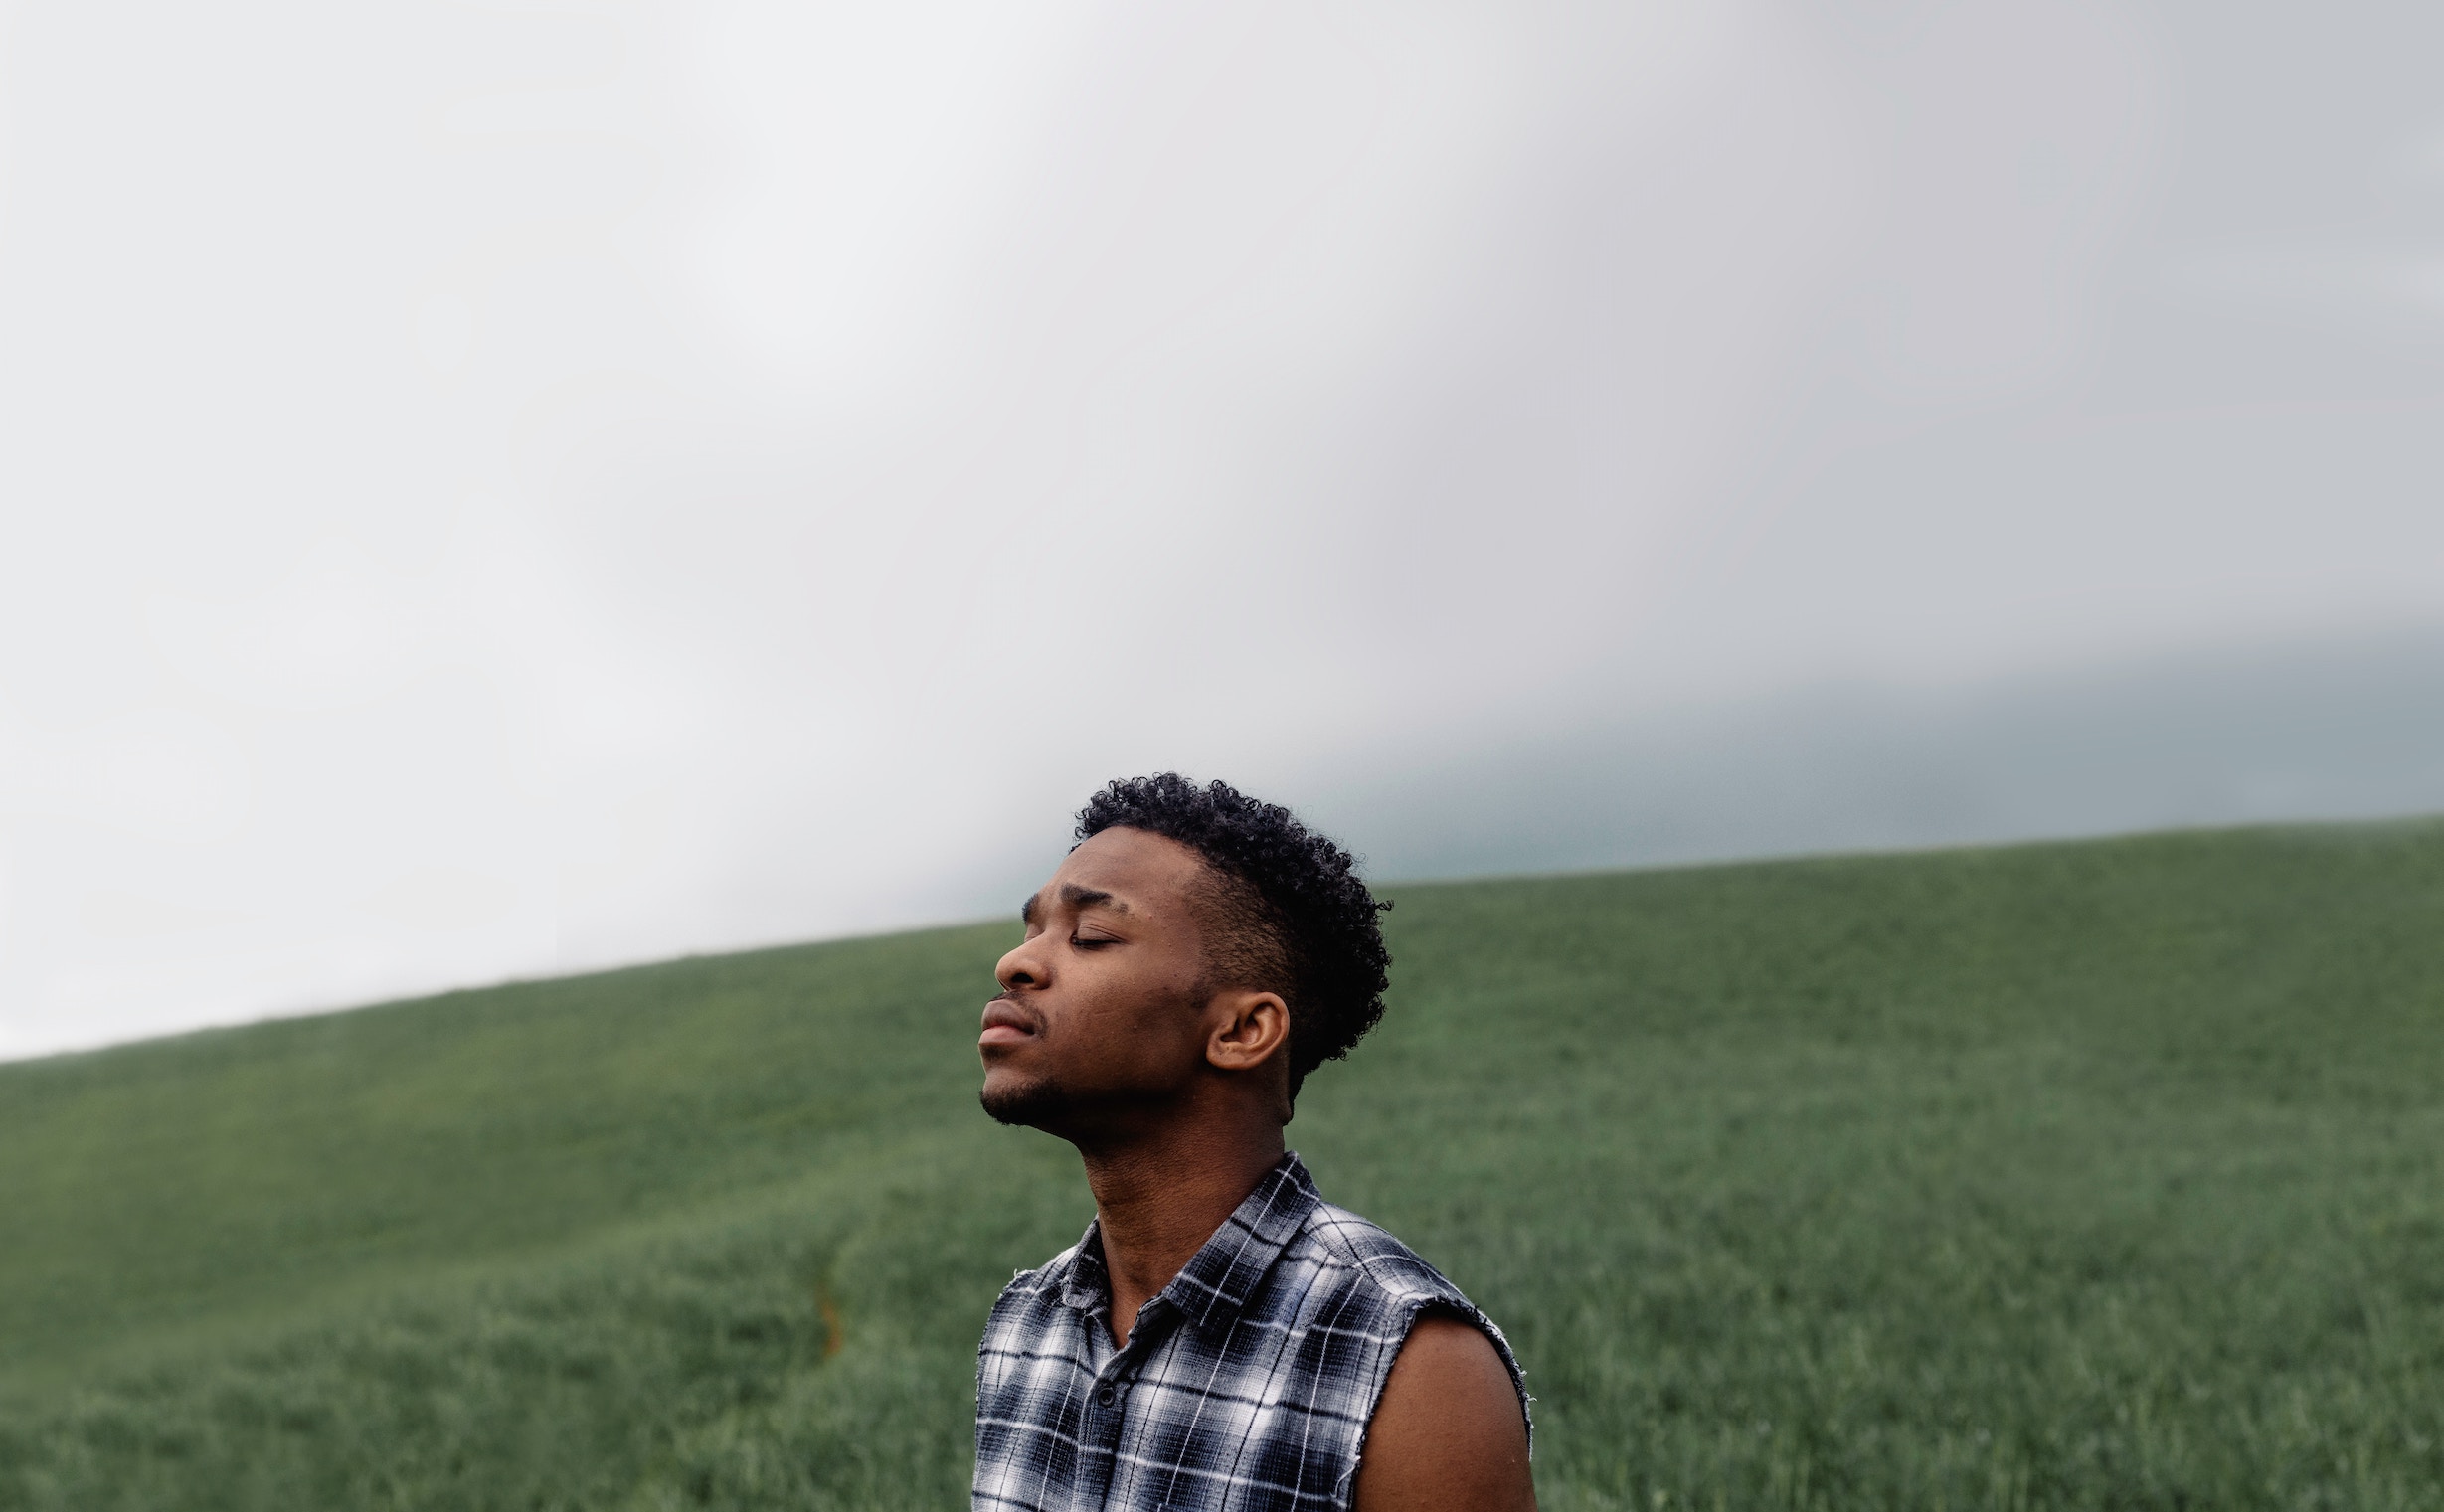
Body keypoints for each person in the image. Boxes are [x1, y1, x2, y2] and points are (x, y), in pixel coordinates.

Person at [972, 774, 1536, 1512]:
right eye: (1031, 929)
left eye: (1090, 936)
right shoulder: (1024, 1324)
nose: (1016, 963)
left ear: (1242, 1031)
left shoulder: (1409, 1363)